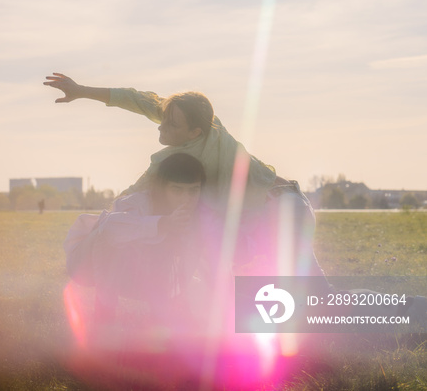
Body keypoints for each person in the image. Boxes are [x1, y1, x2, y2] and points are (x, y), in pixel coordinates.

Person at [46, 72, 325, 277]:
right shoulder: (208, 121)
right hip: (288, 198)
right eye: (165, 117)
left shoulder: (181, 158)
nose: (161, 126)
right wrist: (81, 90)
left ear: (194, 133)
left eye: (172, 124)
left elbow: (136, 192)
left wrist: (103, 225)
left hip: (280, 211)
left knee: (299, 291)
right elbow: (135, 99)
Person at [64, 153, 218, 329]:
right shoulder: (139, 202)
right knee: (113, 234)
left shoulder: (199, 214)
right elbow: (109, 229)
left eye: (193, 191)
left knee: (179, 258)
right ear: (162, 188)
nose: (186, 198)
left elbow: (208, 260)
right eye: (177, 190)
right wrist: (164, 223)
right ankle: (105, 312)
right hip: (84, 265)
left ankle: (160, 313)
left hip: (134, 277)